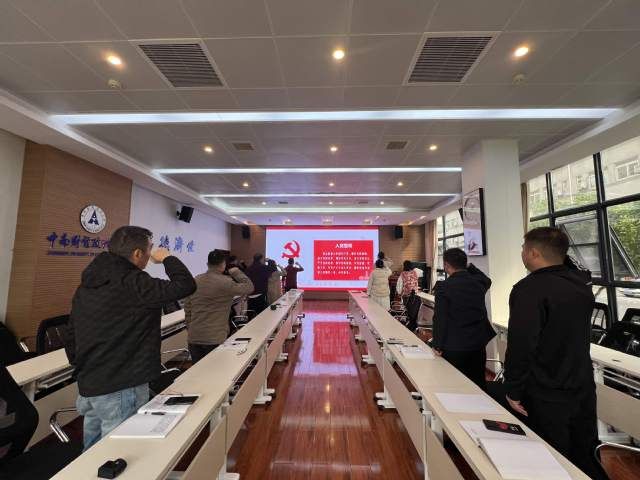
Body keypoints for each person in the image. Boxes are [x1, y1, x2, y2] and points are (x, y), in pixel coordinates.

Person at [64, 226, 196, 449]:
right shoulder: (134, 282)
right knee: (119, 452)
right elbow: (185, 285)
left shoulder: (88, 283)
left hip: (90, 383)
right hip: (122, 384)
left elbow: (72, 331)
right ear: (137, 253)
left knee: (93, 453)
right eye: (149, 249)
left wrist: (83, 366)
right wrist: (167, 257)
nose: (150, 255)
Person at [501, 227, 607, 480]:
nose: (522, 254)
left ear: (533, 253)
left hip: (546, 388)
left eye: (523, 249)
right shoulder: (581, 283)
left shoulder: (529, 289)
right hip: (581, 385)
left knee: (550, 456)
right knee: (584, 452)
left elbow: (522, 344)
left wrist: (513, 388)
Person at [432, 248, 493, 390]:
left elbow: (440, 318)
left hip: (454, 345)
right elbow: (487, 280)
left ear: (446, 265)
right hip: (478, 344)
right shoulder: (478, 283)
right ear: (465, 264)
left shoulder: (443, 287)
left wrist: (437, 345)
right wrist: (469, 267)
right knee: (477, 382)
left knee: (454, 385)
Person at [184, 251, 253, 364]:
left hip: (194, 336)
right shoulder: (226, 282)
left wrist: (190, 327)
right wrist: (236, 272)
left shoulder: (195, 281)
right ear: (223, 264)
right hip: (215, 337)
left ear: (207, 264)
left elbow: (187, 308)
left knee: (197, 371)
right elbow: (249, 287)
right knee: (215, 371)